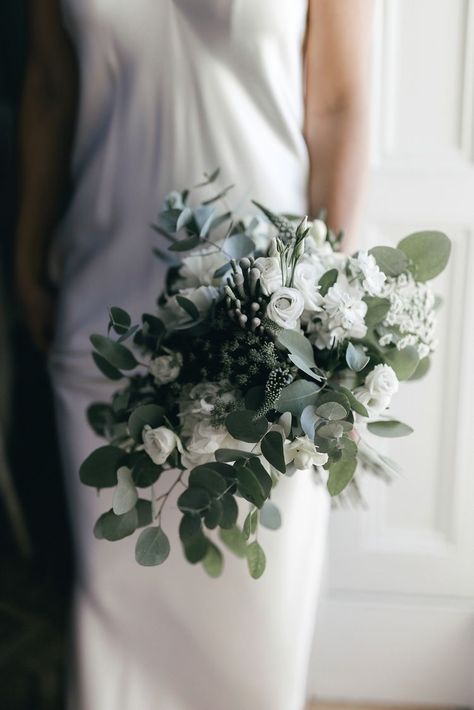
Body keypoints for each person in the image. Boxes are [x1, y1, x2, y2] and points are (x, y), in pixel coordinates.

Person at [15, 1, 374, 708]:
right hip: (106, 319)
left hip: (268, 330)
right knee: (113, 615)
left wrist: (330, 310)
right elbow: (53, 88)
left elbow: (337, 103)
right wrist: (27, 258)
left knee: (255, 628)